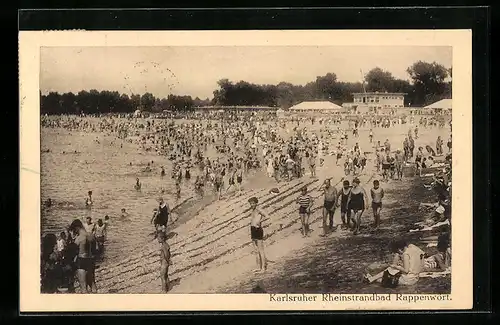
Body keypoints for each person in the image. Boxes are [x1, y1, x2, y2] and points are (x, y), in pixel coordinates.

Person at [69, 219, 97, 293]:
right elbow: (95, 250)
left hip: (81, 261)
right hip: (90, 260)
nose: (74, 232)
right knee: (93, 285)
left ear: (76, 228)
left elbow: (73, 253)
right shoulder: (91, 235)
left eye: (74, 230)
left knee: (83, 286)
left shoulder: (78, 239)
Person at [249, 197, 269, 273]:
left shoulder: (259, 209)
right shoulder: (253, 210)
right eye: (250, 203)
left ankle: (263, 268)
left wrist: (260, 221)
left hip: (258, 229)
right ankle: (259, 267)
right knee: (256, 250)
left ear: (256, 203)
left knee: (261, 250)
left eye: (253, 203)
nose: (252, 205)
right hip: (253, 229)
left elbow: (267, 216)